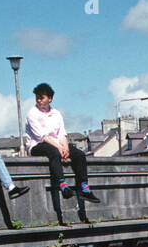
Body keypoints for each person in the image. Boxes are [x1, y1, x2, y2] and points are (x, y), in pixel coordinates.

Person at [23, 82, 99, 225]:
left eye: (42, 98)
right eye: (37, 98)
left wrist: (65, 148)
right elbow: (42, 136)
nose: (39, 100)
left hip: (56, 143)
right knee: (53, 153)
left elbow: (62, 133)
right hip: (37, 145)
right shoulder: (32, 113)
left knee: (79, 155)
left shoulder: (56, 113)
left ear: (50, 99)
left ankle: (85, 187)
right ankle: (63, 185)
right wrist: (59, 148)